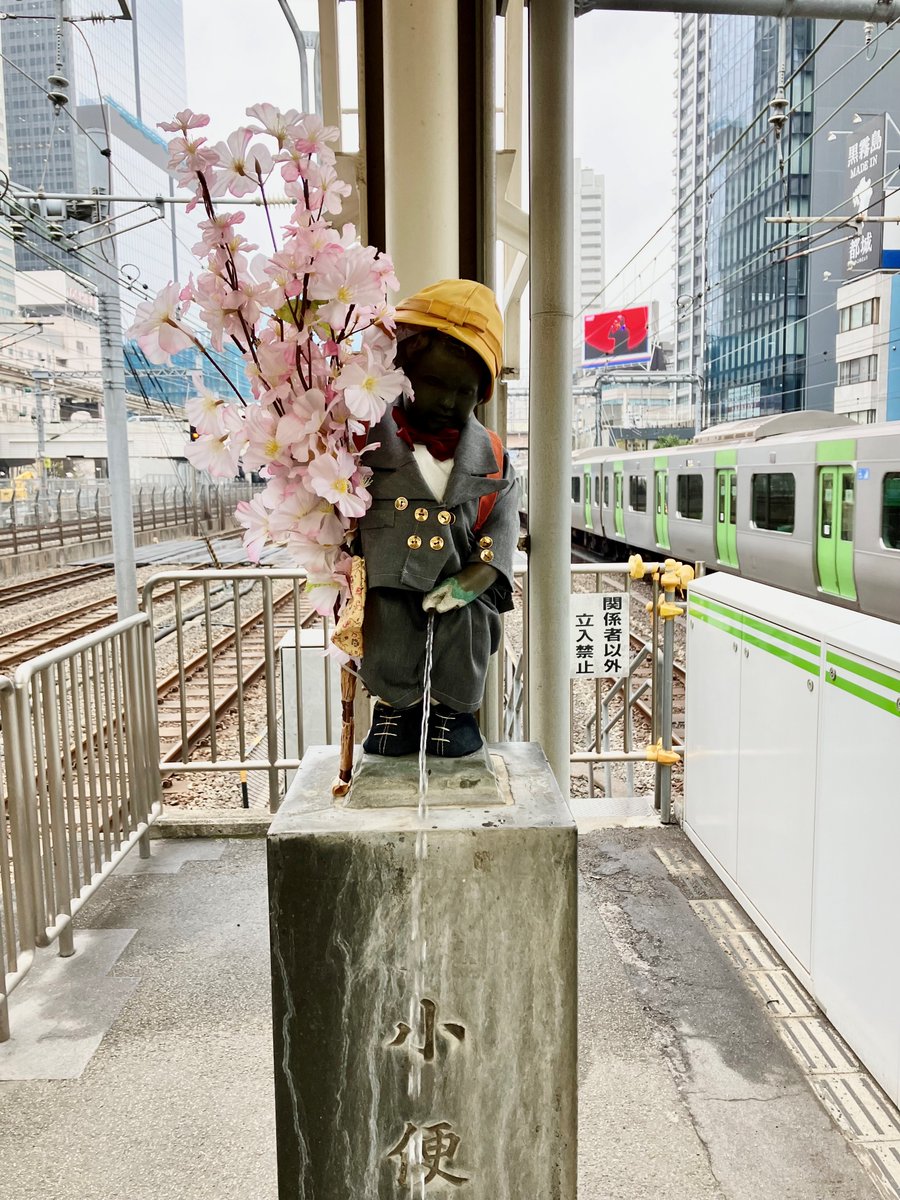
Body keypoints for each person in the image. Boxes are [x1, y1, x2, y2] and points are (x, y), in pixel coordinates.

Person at [355, 279, 518, 758]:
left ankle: (453, 714)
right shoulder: (363, 441)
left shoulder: (491, 454)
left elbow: (503, 522)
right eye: (434, 383)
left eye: (464, 390)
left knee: (462, 639)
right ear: (403, 373)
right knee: (389, 638)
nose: (448, 400)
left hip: (457, 582)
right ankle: (394, 710)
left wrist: (482, 571)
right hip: (389, 580)